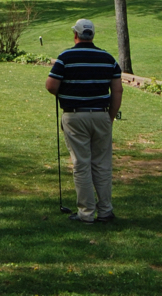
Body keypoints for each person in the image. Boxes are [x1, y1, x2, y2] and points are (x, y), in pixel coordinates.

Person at [46, 18, 123, 224]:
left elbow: (51, 85)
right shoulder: (108, 58)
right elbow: (117, 90)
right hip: (101, 114)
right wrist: (111, 116)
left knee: (82, 164)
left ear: (76, 35)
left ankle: (86, 213)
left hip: (74, 115)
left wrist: (66, 92)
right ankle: (105, 210)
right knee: (102, 164)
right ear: (93, 36)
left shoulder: (65, 57)